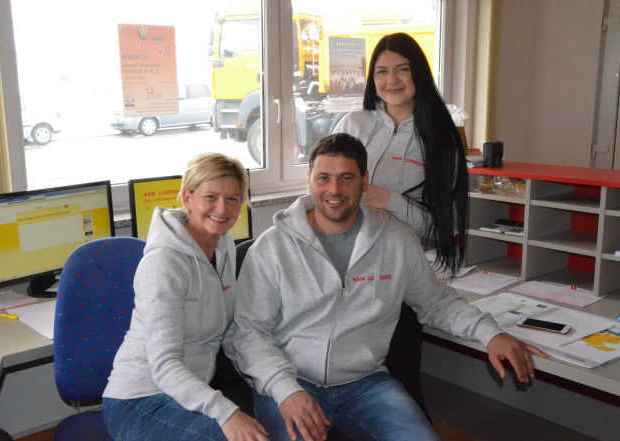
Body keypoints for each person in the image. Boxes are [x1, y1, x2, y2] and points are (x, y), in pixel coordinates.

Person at [234, 134, 545, 441]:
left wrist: (491, 334)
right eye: (323, 178)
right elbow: (249, 333)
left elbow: (437, 303)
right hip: (292, 383)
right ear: (309, 179)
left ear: (364, 181)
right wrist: (286, 392)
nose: (334, 190)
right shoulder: (273, 247)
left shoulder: (395, 240)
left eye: (346, 178)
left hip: (366, 384)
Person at [103, 153, 268, 441]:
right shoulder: (163, 264)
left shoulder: (224, 244)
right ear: (187, 197)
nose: (222, 208)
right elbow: (164, 364)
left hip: (188, 394)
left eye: (232, 199)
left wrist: (272, 380)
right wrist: (227, 413)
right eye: (211, 197)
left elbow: (230, 334)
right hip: (138, 400)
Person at [331, 32, 467, 274]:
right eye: (381, 71)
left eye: (402, 69)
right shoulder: (352, 124)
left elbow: (446, 227)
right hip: (342, 260)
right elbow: (321, 193)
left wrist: (389, 201)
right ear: (372, 78)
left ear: (418, 73)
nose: (391, 79)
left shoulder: (441, 138)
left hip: (402, 265)